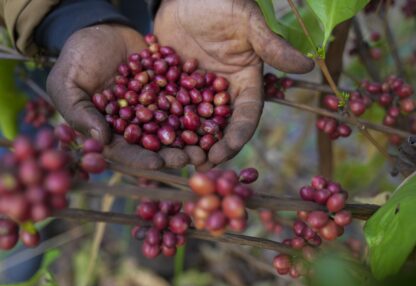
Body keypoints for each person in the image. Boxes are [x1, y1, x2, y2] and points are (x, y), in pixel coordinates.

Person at [0, 0, 313, 170]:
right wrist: (64, 13)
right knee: (47, 136)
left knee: (117, 145)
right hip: (44, 31)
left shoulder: (158, 94)